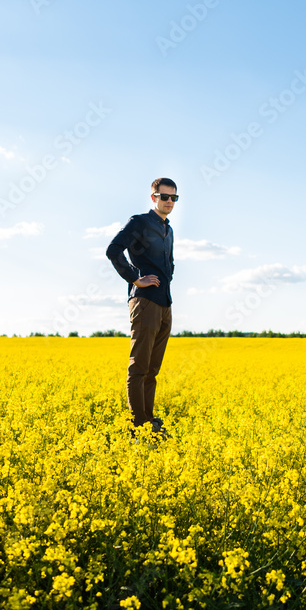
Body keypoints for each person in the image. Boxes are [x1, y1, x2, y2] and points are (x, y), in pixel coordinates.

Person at [106, 177, 178, 435]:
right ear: (153, 197)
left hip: (164, 302)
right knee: (139, 366)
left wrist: (168, 279)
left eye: (173, 198)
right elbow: (113, 250)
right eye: (164, 197)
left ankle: (150, 421)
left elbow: (169, 263)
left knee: (152, 369)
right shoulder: (139, 222)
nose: (169, 201)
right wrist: (135, 277)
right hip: (144, 301)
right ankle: (138, 425)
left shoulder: (168, 230)